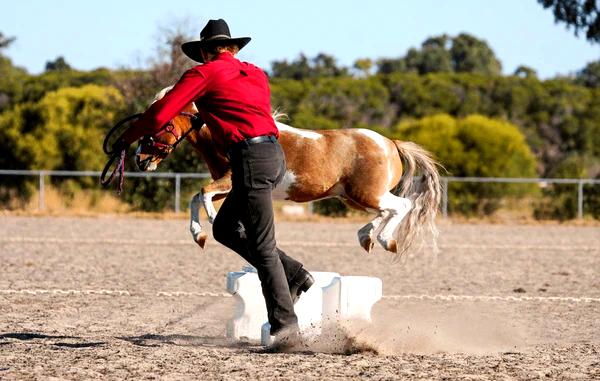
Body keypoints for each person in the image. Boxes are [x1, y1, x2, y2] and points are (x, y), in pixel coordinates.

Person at [118, 19, 313, 348]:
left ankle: (287, 328)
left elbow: (159, 116)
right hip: (273, 156)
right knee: (224, 228)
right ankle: (294, 274)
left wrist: (127, 138)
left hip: (250, 160)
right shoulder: (255, 73)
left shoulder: (203, 74)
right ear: (233, 49)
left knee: (263, 247)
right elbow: (234, 110)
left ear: (205, 53)